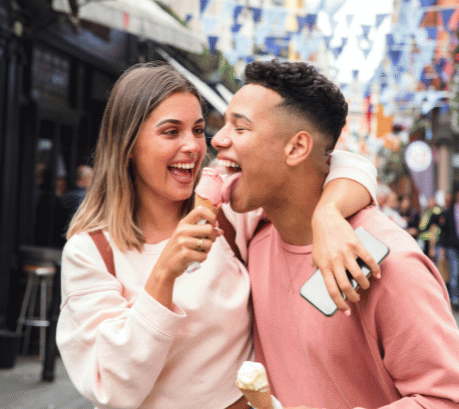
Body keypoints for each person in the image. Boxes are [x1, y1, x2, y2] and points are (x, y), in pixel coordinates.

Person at [55, 63, 378, 409]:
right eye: (170, 132)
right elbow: (113, 388)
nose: (193, 146)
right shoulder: (90, 251)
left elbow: (343, 164)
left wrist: (328, 216)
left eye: (196, 130)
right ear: (129, 144)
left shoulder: (230, 212)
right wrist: (164, 274)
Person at [211, 59, 459, 408]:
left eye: (240, 129)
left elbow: (446, 398)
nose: (218, 139)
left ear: (297, 147)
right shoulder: (254, 234)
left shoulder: (390, 262)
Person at [436, 186, 459, 308]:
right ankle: (455, 298)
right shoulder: (447, 212)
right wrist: (442, 248)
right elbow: (443, 231)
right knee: (454, 272)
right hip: (452, 246)